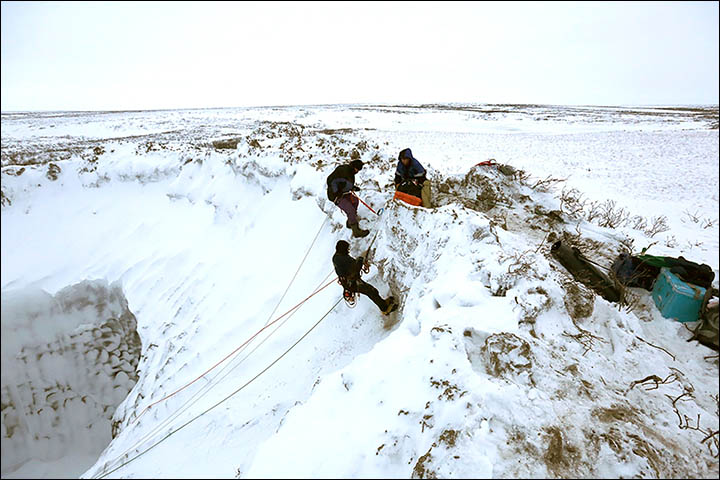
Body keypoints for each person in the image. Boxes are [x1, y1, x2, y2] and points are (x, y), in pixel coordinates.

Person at [332, 240, 397, 315]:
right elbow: (355, 269)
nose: (348, 250)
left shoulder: (339, 256)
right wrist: (360, 260)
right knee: (371, 291)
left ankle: (383, 304)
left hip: (351, 282)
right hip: (352, 283)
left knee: (372, 291)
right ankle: (385, 309)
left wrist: (359, 261)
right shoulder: (341, 258)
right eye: (347, 248)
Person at [326, 159, 369, 238]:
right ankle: (356, 232)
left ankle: (350, 222)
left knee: (355, 201)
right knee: (350, 209)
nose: (357, 171)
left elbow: (346, 183)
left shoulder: (351, 173)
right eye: (357, 169)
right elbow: (331, 180)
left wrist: (353, 188)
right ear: (354, 167)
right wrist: (336, 192)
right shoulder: (343, 170)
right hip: (335, 196)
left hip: (343, 193)